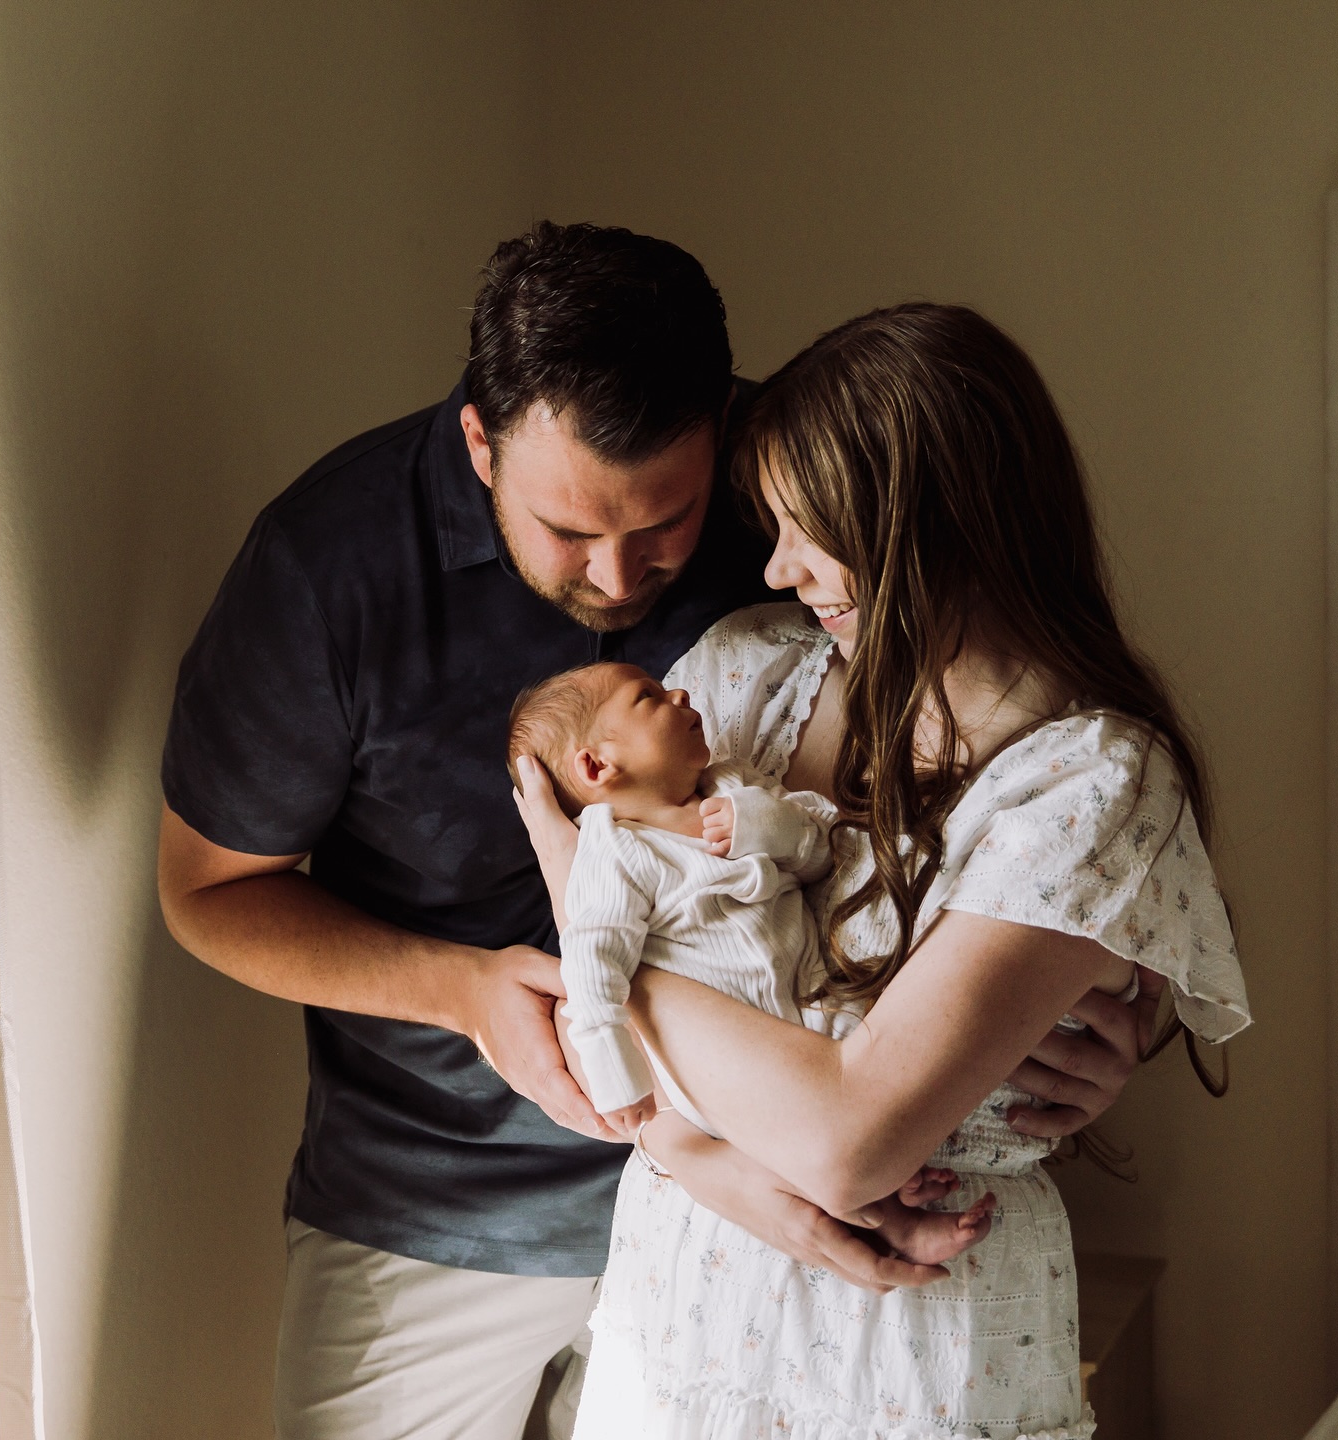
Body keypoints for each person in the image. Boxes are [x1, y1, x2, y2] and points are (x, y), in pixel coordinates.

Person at [156, 218, 1149, 1440]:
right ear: (480, 443)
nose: (622, 577)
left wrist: (1084, 1034)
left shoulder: (794, 526)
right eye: (571, 531)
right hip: (439, 1204)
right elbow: (206, 890)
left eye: (664, 524)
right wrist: (468, 992)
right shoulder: (327, 571)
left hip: (773, 1193)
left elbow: (1009, 824)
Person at [516, 303, 1252, 1439]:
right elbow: (610, 1068)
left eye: (813, 529)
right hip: (686, 1284)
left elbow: (848, 1142)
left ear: (942, 515)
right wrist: (709, 1168)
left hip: (903, 1332)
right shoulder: (746, 679)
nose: (778, 565)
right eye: (772, 525)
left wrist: (596, 930)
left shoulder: (1092, 783)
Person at [507, 660, 996, 1265]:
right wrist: (612, 1068)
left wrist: (773, 828)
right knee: (798, 1140)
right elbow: (592, 965)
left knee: (874, 1070)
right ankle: (898, 1221)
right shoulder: (615, 854)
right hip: (722, 1059)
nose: (680, 690)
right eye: (649, 696)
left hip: (810, 998)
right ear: (596, 766)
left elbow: (821, 856)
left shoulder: (733, 786)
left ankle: (890, 1191)